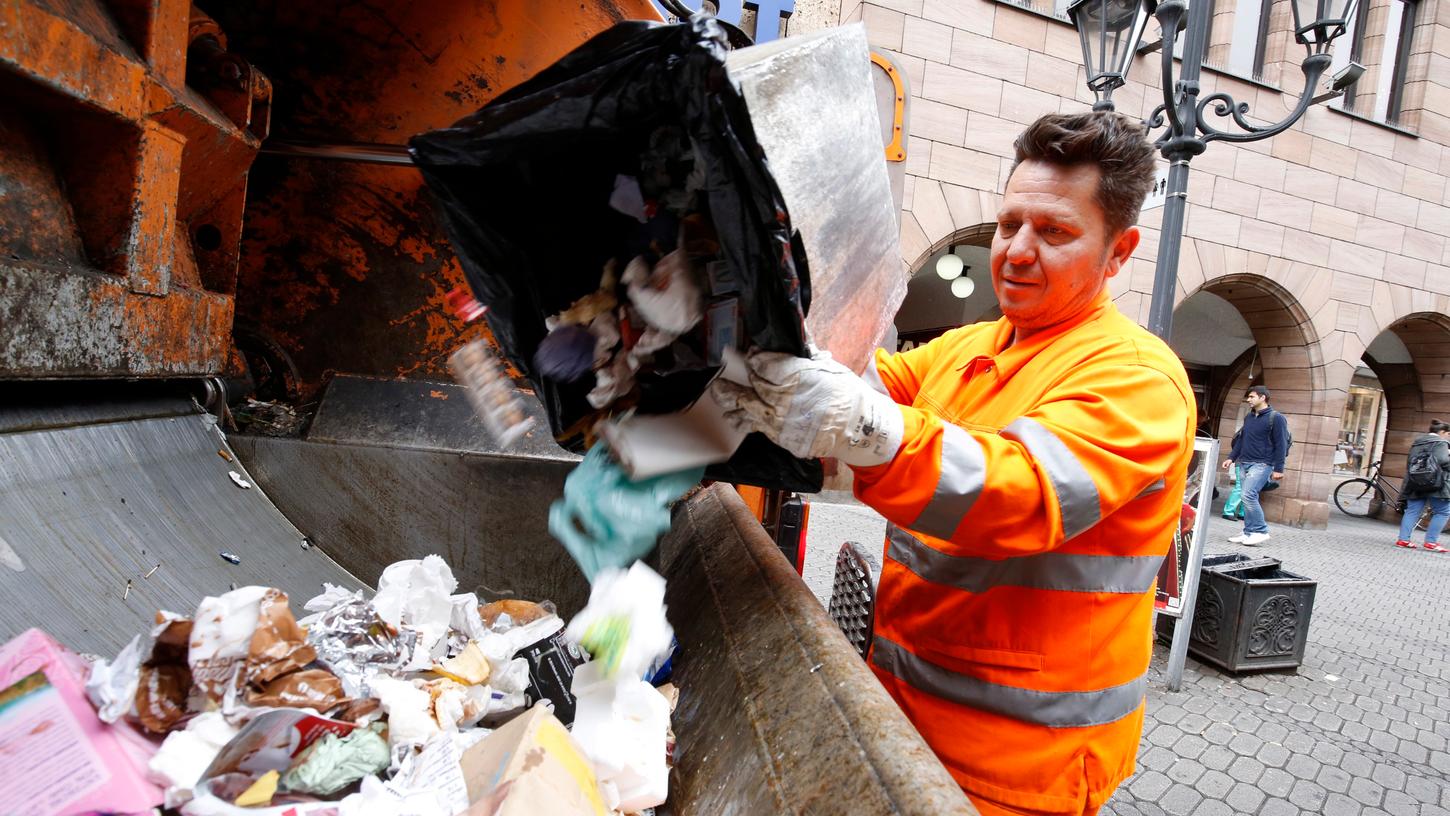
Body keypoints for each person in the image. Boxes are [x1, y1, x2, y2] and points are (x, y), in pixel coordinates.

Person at [713, 112, 1195, 816]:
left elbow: (1018, 493)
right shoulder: (971, 348)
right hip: (906, 718)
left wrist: (859, 423)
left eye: (1054, 232)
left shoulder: (1138, 377)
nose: (1017, 251)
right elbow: (868, 386)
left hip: (1023, 768)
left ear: (1119, 252)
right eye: (1009, 225)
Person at [1220, 385, 1288, 546]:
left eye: (1252, 397)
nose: (1248, 400)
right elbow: (1242, 440)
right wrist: (1231, 458)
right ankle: (1248, 532)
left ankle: (1260, 531)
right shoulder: (1249, 417)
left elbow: (1281, 444)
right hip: (1244, 462)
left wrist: (1279, 468)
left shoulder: (1276, 418)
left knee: (1248, 495)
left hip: (1263, 464)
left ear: (1263, 397)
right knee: (1247, 496)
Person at [1394, 419, 1450, 552]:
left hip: (1416, 482)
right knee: (1443, 512)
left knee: (1412, 511)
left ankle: (1403, 539)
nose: (1448, 437)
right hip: (1436, 483)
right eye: (1448, 434)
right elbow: (1442, 461)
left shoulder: (1417, 442)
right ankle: (1431, 542)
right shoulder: (1441, 443)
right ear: (1442, 432)